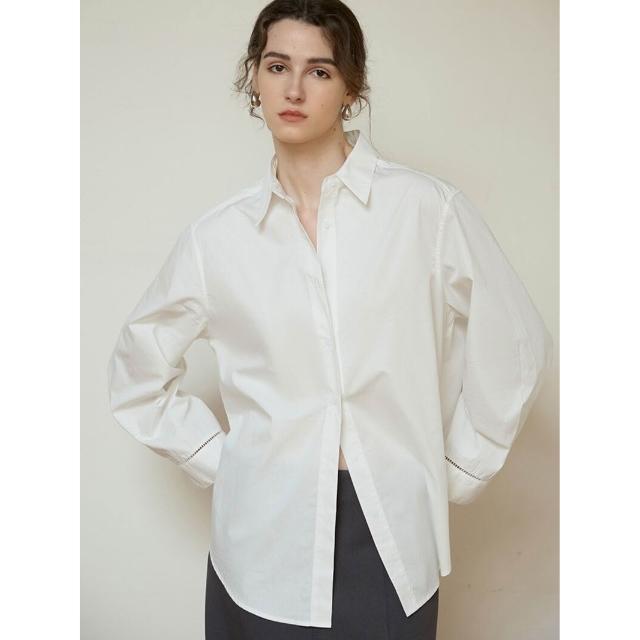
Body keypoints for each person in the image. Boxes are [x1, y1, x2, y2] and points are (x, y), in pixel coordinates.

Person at [106, 1, 554, 638]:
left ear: (350, 87)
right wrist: (223, 464)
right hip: (259, 542)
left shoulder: (426, 210)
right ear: (254, 78)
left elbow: (515, 341)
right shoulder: (218, 239)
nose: (294, 89)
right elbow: (137, 371)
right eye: (277, 66)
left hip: (391, 531)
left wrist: (461, 466)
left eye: (319, 71)